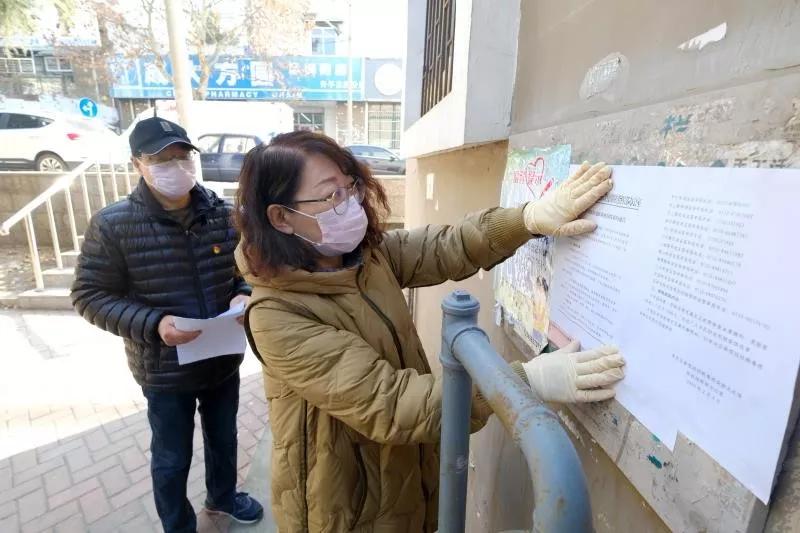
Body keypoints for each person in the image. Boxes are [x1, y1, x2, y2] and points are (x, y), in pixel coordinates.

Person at [234, 131, 625, 532]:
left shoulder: (364, 258)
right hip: (343, 508)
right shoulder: (276, 315)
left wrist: (527, 219)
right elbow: (391, 403)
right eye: (330, 196)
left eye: (350, 187)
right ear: (280, 217)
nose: (349, 203)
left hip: (405, 481)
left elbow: (447, 246)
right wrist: (521, 383)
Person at [71, 117, 264, 533]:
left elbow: (246, 270)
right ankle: (178, 526)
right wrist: (155, 323)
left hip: (221, 358)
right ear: (137, 164)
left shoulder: (222, 214)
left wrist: (244, 291)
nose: (175, 167)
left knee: (224, 440)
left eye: (182, 156)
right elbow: (88, 296)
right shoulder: (113, 224)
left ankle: (224, 498)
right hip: (162, 367)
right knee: (172, 457)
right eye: (161, 159)